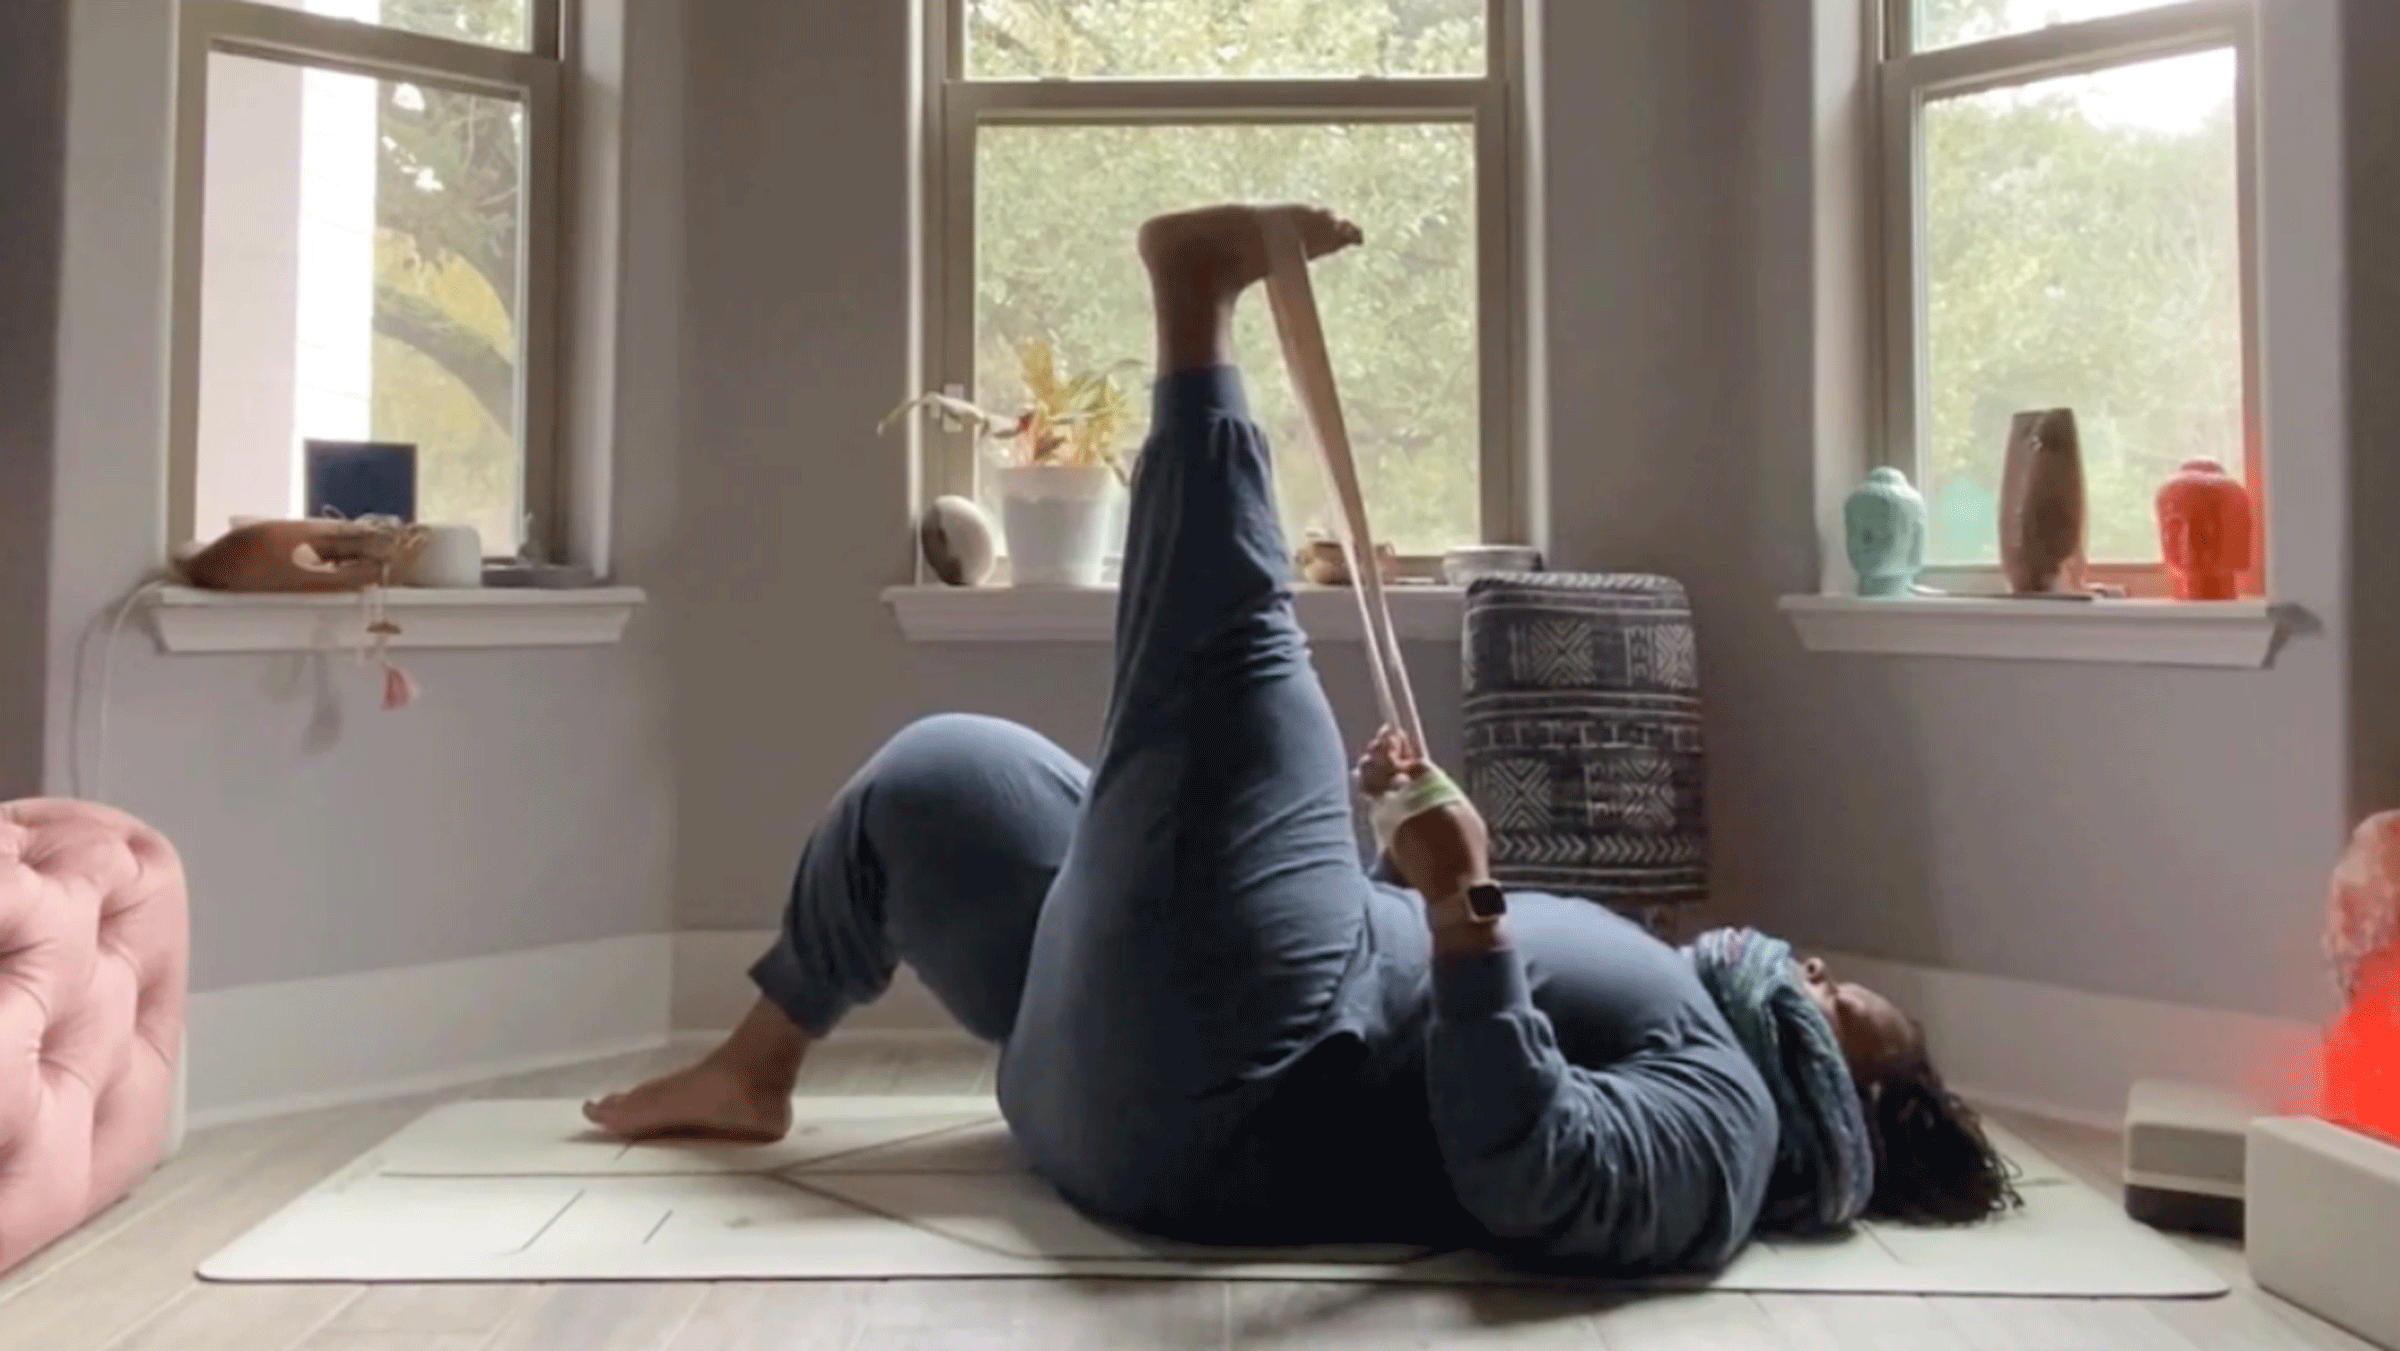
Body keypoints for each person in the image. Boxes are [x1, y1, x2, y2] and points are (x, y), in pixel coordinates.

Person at [585, 203, 2019, 1271]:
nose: (1814, 968)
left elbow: (1541, 1177)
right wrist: (1428, 880)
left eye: (1842, 1001)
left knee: (1242, 667)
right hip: (1102, 1043)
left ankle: (1197, 309)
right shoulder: (1706, 1039)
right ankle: (755, 1068)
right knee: (945, 777)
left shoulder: (1733, 1134)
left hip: (1225, 1092)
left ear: (1851, 1102)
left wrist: (1464, 916)